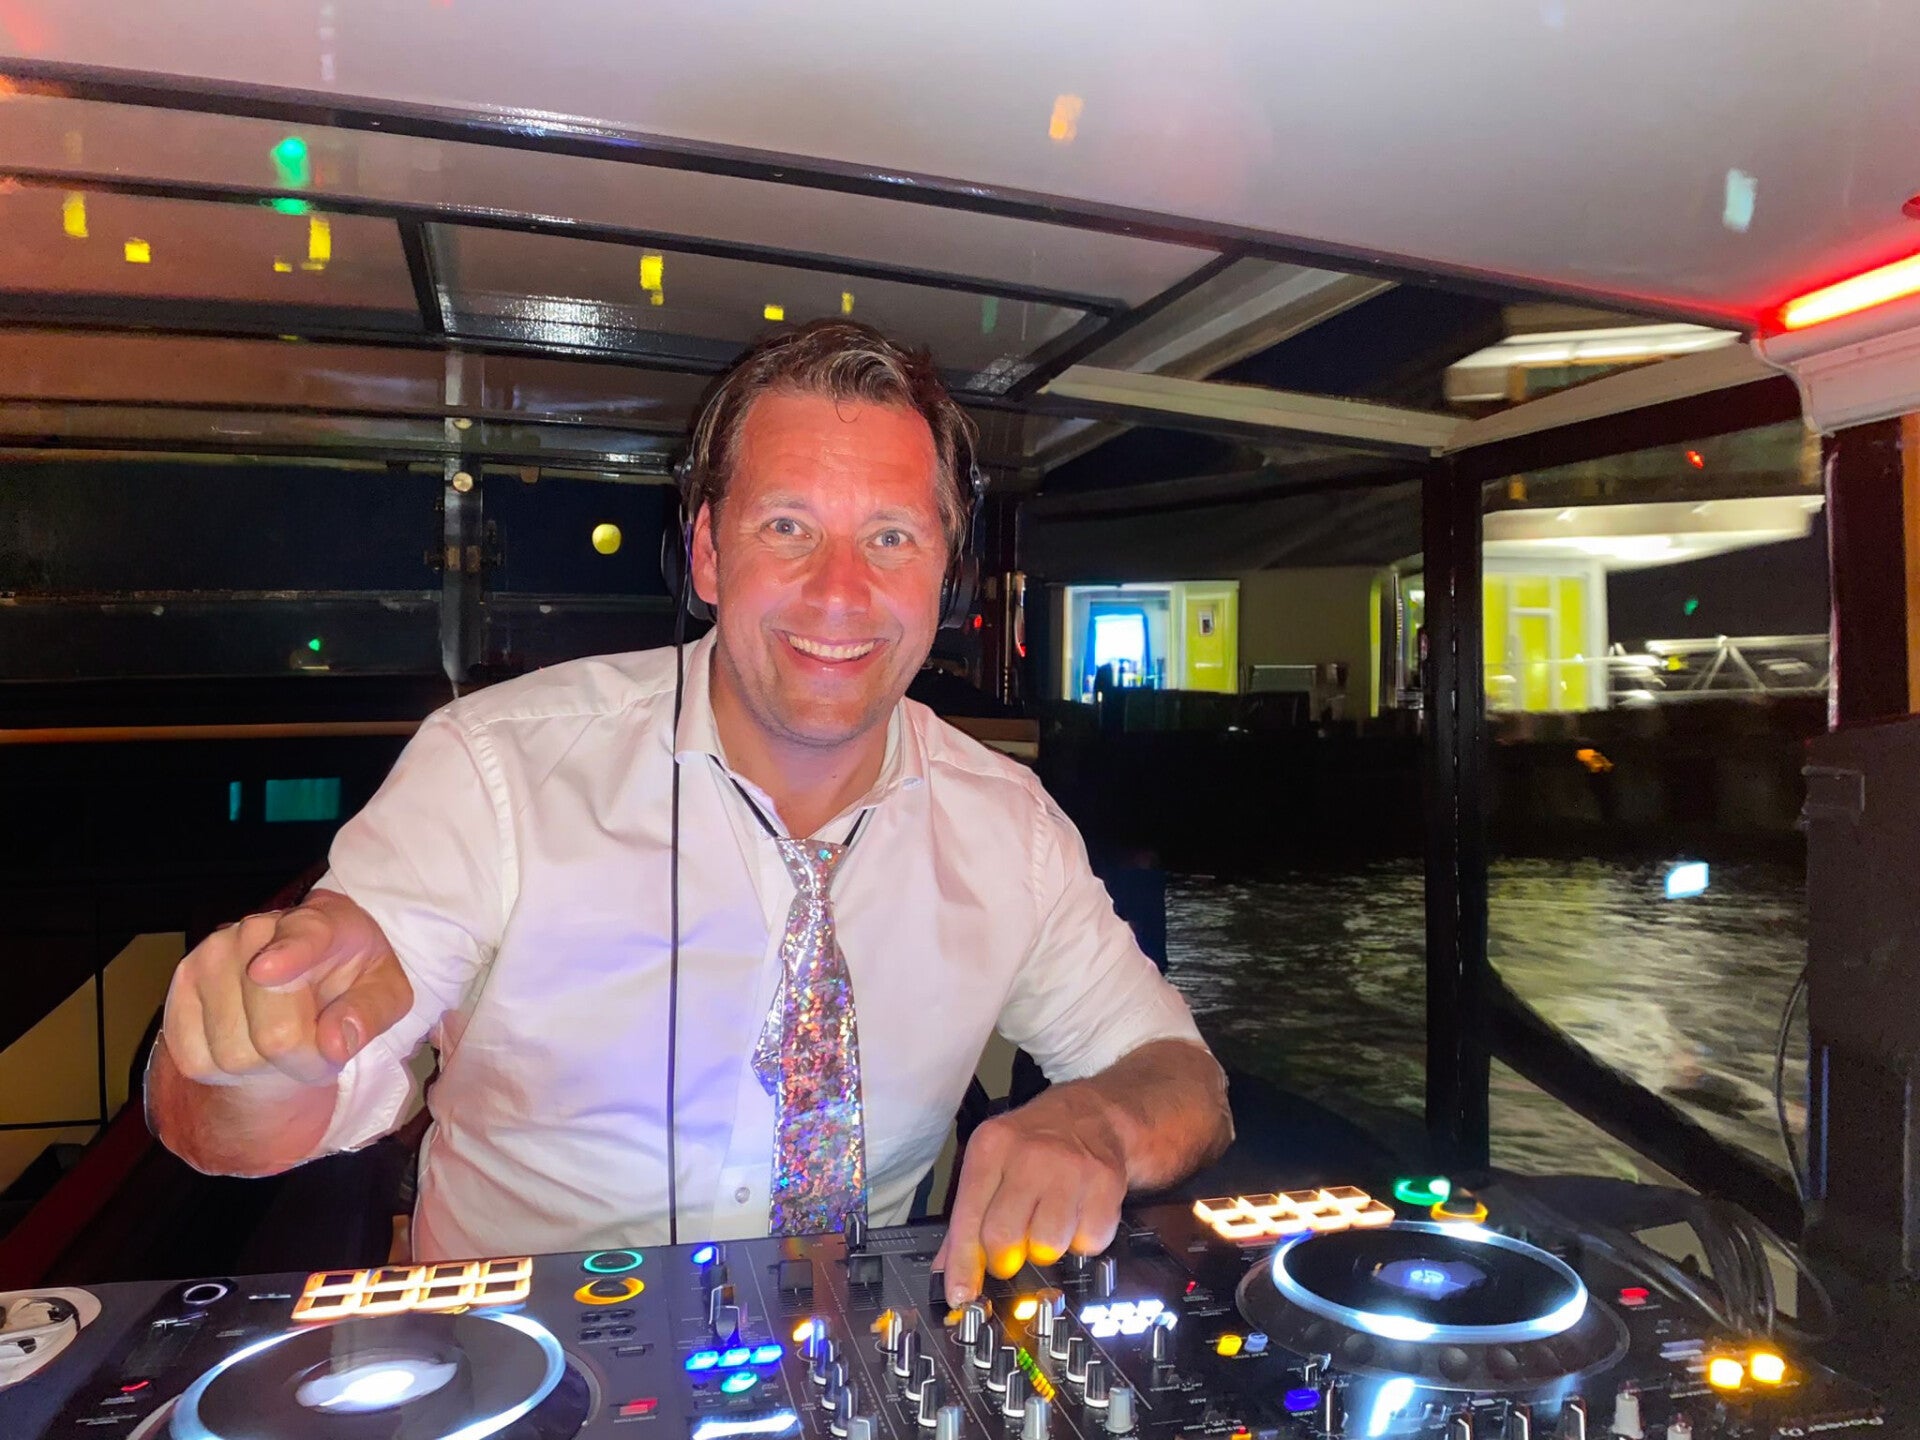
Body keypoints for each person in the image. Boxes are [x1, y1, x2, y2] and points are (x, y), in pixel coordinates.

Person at [147, 320, 1232, 1304]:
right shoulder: (497, 769)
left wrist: (1099, 1121)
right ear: (707, 554)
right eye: (788, 526)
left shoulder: (1012, 828)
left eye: (893, 537)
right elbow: (236, 1129)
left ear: (947, 576)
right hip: (525, 1379)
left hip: (845, 1374)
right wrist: (251, 1063)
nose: (840, 591)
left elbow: (1185, 1079)